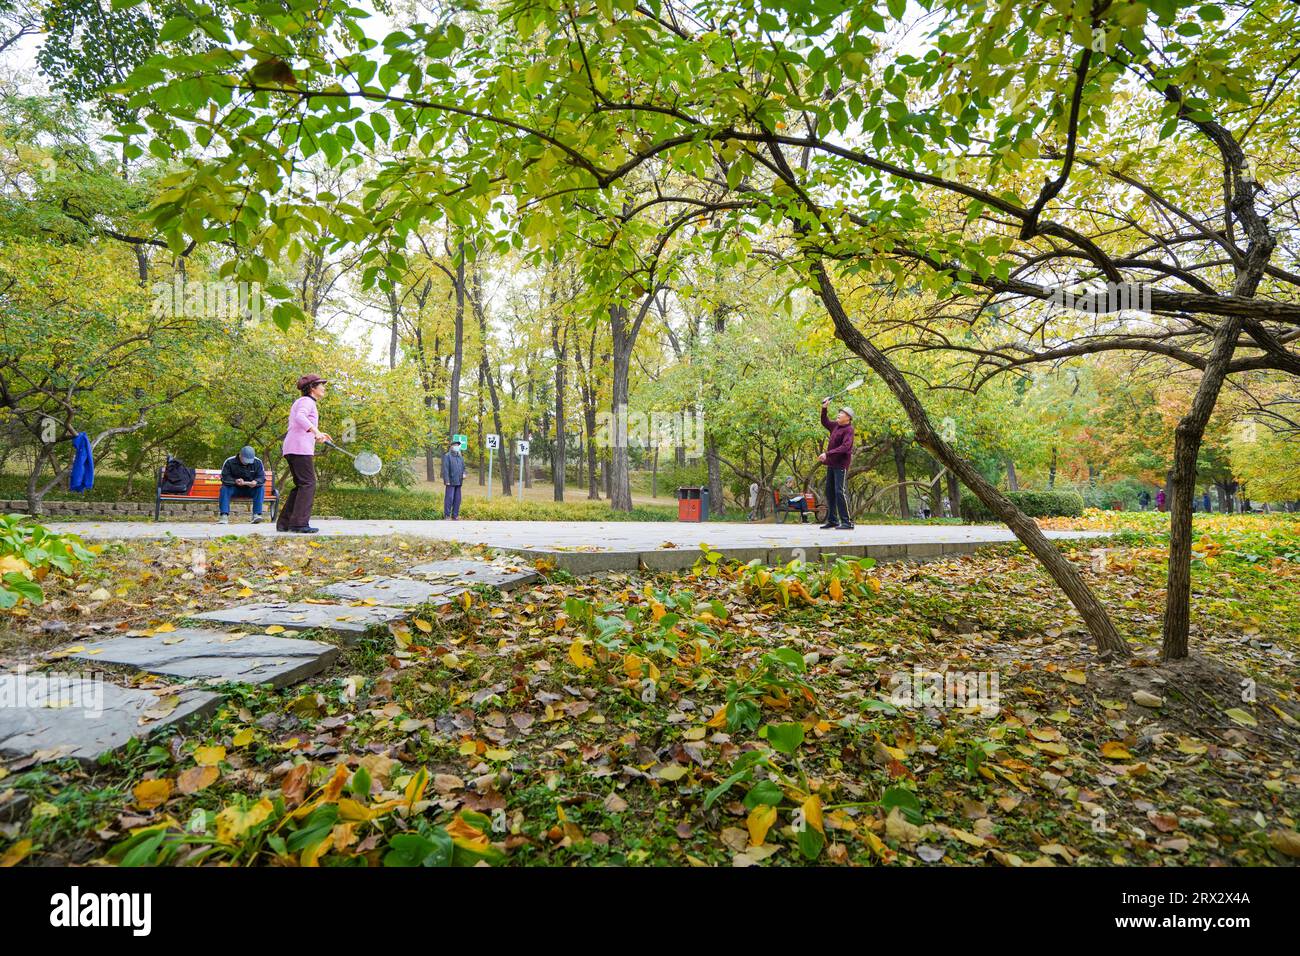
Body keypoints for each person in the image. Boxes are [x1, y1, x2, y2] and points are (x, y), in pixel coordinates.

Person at [277, 374, 331, 534]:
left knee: (301, 485)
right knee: (308, 484)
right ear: (312, 387)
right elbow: (300, 417)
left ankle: (285, 523)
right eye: (321, 385)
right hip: (299, 449)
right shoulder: (307, 401)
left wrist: (319, 434)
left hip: (294, 447)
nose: (324, 387)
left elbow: (301, 423)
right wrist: (315, 430)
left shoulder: (304, 402)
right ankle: (299, 524)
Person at [818, 399, 855, 530]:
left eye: (842, 413)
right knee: (829, 492)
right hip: (831, 464)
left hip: (840, 465)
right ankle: (833, 520)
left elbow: (845, 447)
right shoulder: (835, 426)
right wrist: (824, 408)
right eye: (839, 412)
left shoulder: (849, 430)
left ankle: (847, 522)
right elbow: (824, 421)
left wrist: (827, 454)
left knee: (840, 491)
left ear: (848, 418)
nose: (839, 414)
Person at [218, 445, 266, 524]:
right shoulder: (229, 461)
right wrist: (235, 481)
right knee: (224, 488)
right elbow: (224, 477)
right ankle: (224, 515)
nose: (247, 462)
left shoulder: (258, 462)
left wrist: (256, 482)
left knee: (260, 488)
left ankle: (257, 515)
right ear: (240, 455)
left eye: (250, 460)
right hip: (234, 488)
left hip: (250, 489)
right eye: (245, 460)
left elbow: (261, 477)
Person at [441, 438, 466, 520]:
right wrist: (447, 480)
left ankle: (455, 515)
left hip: (459, 481)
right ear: (451, 446)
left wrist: (464, 473)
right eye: (455, 445)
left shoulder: (460, 457)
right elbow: (445, 469)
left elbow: (463, 467)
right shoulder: (447, 456)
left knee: (457, 499)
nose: (457, 447)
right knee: (449, 498)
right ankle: (447, 515)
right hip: (451, 481)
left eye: (458, 445)